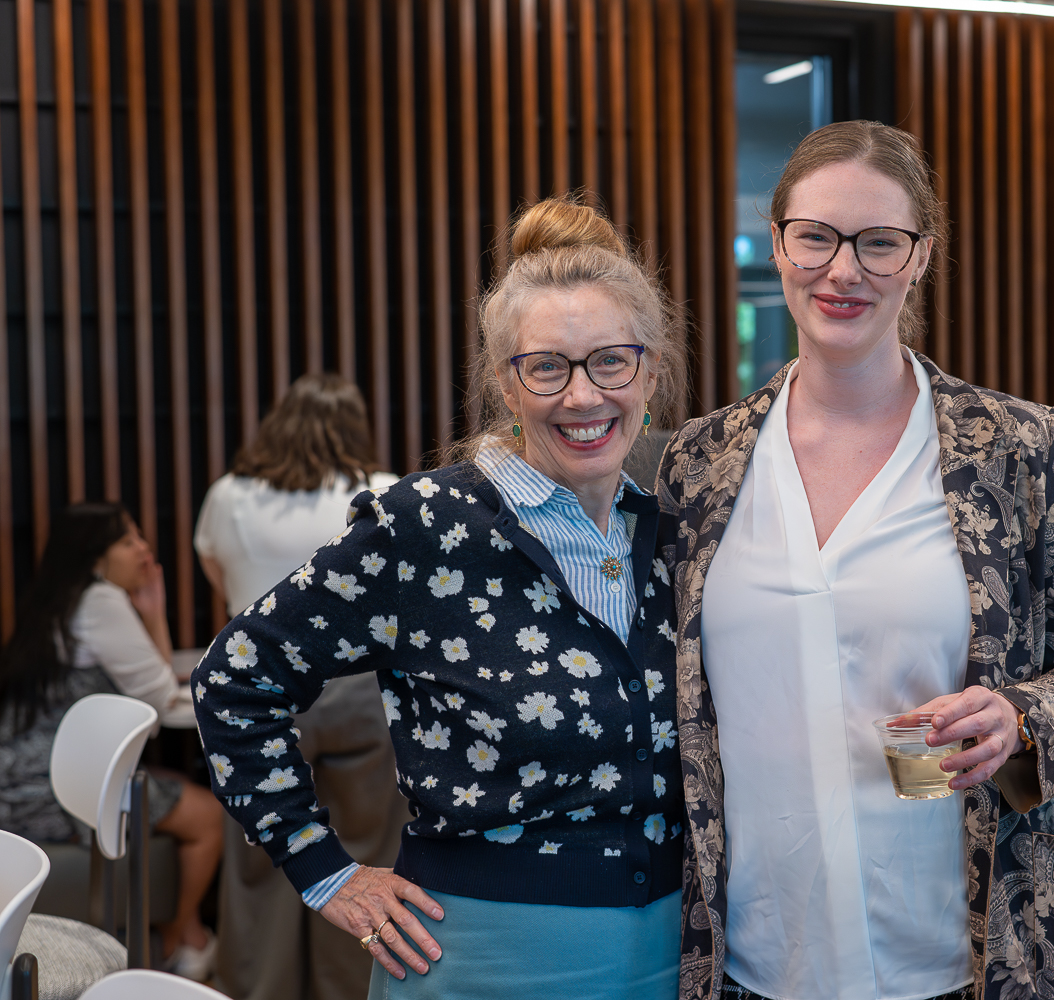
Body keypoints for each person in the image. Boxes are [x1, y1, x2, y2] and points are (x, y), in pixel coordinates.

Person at [656, 120, 1054, 1000]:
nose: (843, 270)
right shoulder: (700, 464)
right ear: (778, 244)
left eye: (879, 243)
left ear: (920, 257)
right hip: (758, 945)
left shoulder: (1017, 448)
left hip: (970, 943)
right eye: (816, 237)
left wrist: (1019, 718)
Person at [192, 196, 688, 1000]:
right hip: (481, 962)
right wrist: (324, 871)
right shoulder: (426, 526)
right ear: (506, 383)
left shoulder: (671, 526)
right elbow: (234, 677)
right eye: (546, 367)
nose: (583, 396)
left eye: (610, 362)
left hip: (673, 957)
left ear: (650, 370)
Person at [194, 372, 408, 1000]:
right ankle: (354, 987)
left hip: (262, 692)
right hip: (362, 694)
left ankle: (258, 987)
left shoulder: (227, 496)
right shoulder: (381, 493)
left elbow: (219, 579)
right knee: (365, 849)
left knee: (263, 853)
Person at [0, 504, 224, 980]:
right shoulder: (101, 601)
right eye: (127, 541)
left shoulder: (56, 603)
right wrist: (155, 613)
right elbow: (160, 697)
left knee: (166, 782)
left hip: (19, 782)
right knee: (209, 817)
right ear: (95, 559)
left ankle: (184, 941)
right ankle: (179, 942)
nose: (144, 549)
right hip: (49, 791)